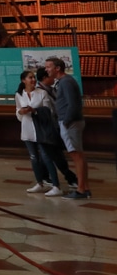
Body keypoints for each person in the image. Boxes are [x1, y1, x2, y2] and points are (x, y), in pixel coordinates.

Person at [45, 57, 90, 199]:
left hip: (70, 122)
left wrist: (66, 121)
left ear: (57, 68)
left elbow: (73, 104)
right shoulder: (63, 82)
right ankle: (85, 187)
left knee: (76, 155)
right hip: (68, 121)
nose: (46, 70)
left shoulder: (66, 82)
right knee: (78, 155)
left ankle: (81, 190)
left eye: (48, 67)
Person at [15, 70, 63, 196]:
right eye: (30, 78)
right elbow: (17, 111)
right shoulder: (19, 95)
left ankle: (56, 185)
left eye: (34, 78)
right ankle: (39, 182)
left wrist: (35, 111)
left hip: (41, 130)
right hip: (27, 129)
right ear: (23, 80)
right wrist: (21, 113)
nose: (33, 80)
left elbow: (49, 111)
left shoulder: (42, 93)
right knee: (34, 157)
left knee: (46, 157)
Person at [36, 67, 79, 190]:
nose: (53, 78)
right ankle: (68, 177)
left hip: (56, 125)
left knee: (50, 154)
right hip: (47, 128)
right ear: (44, 78)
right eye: (50, 76)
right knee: (53, 154)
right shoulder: (40, 92)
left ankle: (44, 176)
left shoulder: (53, 89)